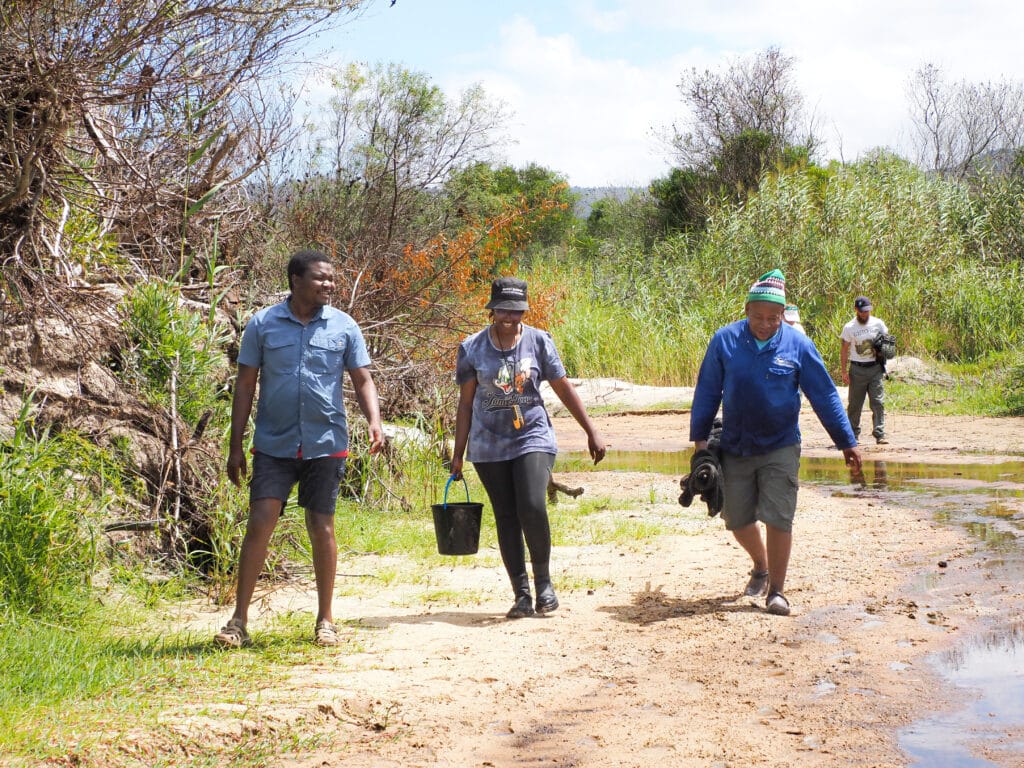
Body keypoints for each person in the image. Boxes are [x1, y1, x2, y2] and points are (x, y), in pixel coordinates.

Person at [214, 249, 385, 648]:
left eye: (331, 279)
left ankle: (325, 620)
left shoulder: (344, 326)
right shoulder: (263, 325)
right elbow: (245, 384)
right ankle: (238, 621)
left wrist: (374, 420)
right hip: (273, 443)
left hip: (326, 442)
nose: (329, 284)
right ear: (295, 279)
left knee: (321, 525)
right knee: (261, 521)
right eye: (320, 278)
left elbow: (363, 380)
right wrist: (236, 445)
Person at [689, 269, 862, 616]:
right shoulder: (724, 341)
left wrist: (847, 441)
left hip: (781, 444)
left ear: (783, 315)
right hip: (736, 443)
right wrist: (700, 443)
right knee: (735, 518)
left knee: (780, 517)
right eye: (758, 317)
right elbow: (707, 391)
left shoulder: (798, 345)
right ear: (746, 310)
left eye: (773, 317)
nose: (765, 324)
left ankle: (777, 592)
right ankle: (760, 565)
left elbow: (825, 395)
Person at [450, 277, 607, 619]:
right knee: (506, 516)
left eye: (517, 310)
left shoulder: (538, 341)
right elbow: (465, 405)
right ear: (491, 309)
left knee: (532, 505)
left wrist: (591, 431)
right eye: (503, 309)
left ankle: (544, 584)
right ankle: (521, 594)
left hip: (532, 435)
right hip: (488, 444)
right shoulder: (472, 348)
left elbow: (563, 388)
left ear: (524, 310)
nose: (509, 316)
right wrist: (458, 452)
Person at [840, 296, 889, 445]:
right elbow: (844, 349)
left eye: (866, 311)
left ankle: (879, 434)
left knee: (878, 402)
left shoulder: (878, 323)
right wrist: (844, 371)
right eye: (861, 312)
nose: (864, 314)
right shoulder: (849, 327)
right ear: (856, 310)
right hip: (857, 369)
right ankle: (853, 435)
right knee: (855, 404)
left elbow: (888, 342)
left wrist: (882, 352)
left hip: (875, 368)